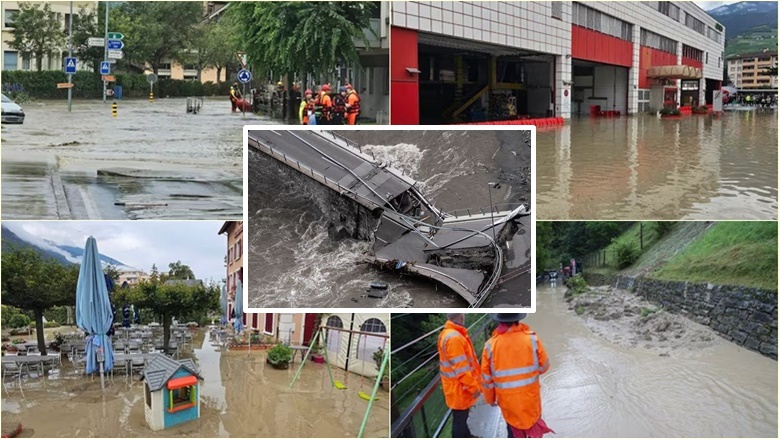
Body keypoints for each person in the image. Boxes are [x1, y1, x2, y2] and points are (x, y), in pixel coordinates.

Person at [482, 314, 554, 438]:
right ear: (518, 320)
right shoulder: (532, 339)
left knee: (512, 429)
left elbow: (486, 379)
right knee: (533, 427)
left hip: (508, 402)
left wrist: (490, 399)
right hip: (530, 398)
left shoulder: (490, 345)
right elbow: (544, 366)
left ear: (499, 322)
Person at [438, 313, 482, 439]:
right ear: (461, 316)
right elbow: (462, 370)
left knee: (461, 417)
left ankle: (467, 436)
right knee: (459, 420)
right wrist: (474, 388)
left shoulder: (447, 334)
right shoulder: (455, 338)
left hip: (455, 386)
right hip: (459, 388)